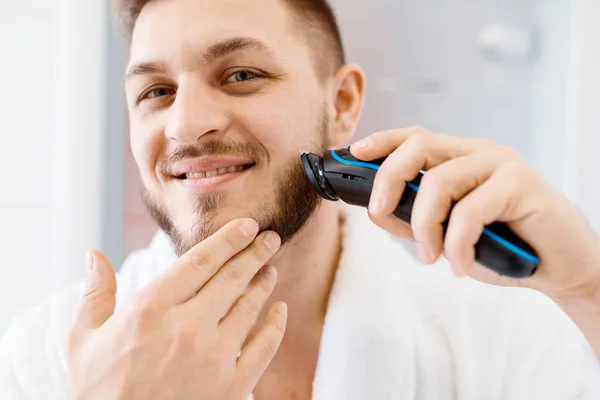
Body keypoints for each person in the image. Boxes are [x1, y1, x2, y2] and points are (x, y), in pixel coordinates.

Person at [2, 0, 600, 398]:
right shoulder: (43, 363)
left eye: (241, 75)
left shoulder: (505, 334)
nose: (186, 126)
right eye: (156, 91)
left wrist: (589, 289)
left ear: (341, 106)